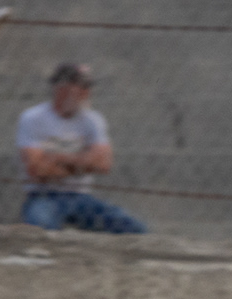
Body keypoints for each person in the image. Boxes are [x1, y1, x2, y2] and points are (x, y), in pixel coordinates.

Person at [15, 63, 145, 235]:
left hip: (79, 195)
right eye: (82, 87)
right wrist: (84, 162)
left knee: (134, 229)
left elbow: (104, 164)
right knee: (40, 229)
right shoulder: (33, 118)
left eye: (88, 87)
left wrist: (57, 158)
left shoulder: (92, 119)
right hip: (43, 195)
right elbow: (37, 170)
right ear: (61, 89)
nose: (87, 93)